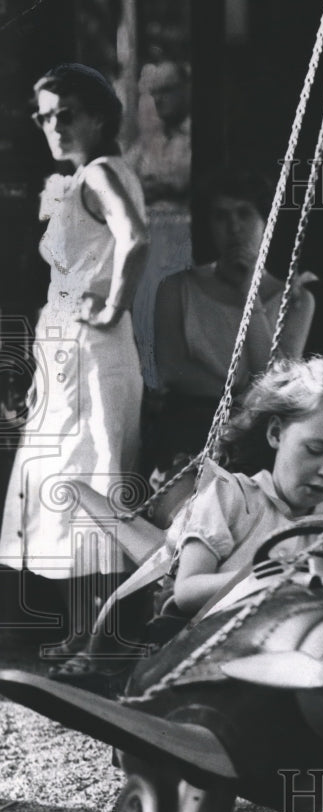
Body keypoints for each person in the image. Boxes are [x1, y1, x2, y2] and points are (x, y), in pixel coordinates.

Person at [94, 355, 323, 812]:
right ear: (276, 432)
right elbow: (187, 591)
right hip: (196, 664)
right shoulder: (231, 498)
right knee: (217, 732)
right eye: (315, 450)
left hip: (278, 674)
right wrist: (265, 575)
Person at [0, 63, 148, 652]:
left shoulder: (105, 171)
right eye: (45, 115)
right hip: (65, 347)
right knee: (63, 477)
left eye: (67, 113)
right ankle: (83, 631)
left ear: (99, 114)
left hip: (92, 348)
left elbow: (135, 237)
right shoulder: (84, 175)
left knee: (93, 477)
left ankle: (104, 638)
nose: (54, 125)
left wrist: (113, 308)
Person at [150, 168, 316, 483]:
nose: (234, 227)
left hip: (259, 431)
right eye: (221, 217)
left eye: (244, 214)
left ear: (265, 221)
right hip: (194, 423)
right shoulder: (177, 288)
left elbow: (276, 376)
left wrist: (249, 294)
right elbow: (172, 369)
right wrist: (245, 399)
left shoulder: (296, 299)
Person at [127, 61, 193, 389]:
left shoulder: (200, 135)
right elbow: (127, 179)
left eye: (167, 91)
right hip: (154, 248)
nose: (160, 100)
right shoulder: (149, 141)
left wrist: (161, 187)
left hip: (187, 245)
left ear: (186, 90)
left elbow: (189, 183)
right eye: (154, 94)